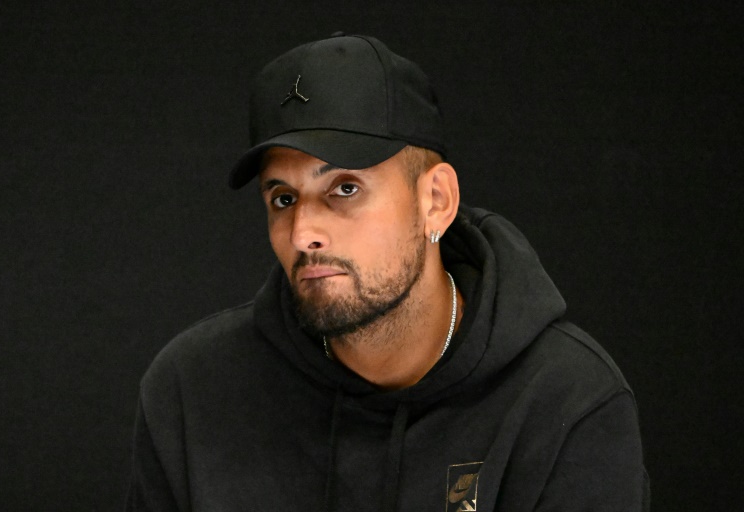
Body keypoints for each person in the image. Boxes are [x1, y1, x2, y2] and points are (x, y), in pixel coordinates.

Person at [126, 34, 649, 512]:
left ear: (436, 202)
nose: (303, 232)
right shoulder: (191, 391)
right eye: (283, 198)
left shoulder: (567, 402)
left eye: (345, 189)